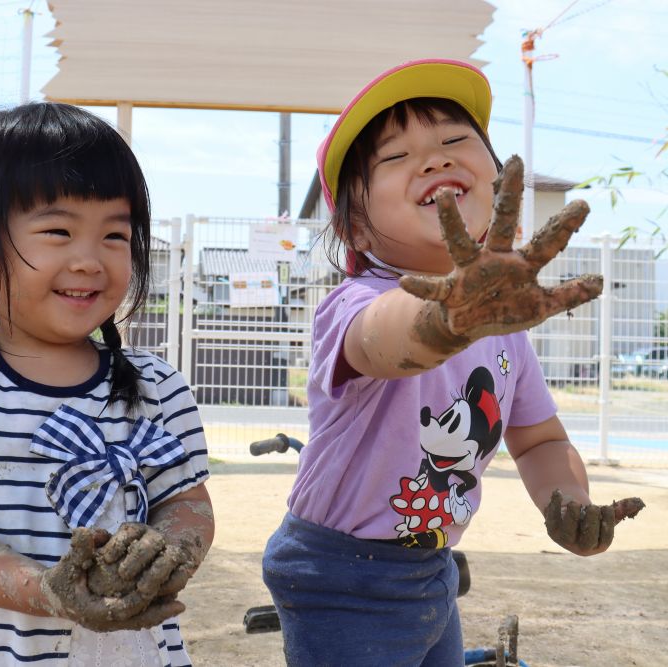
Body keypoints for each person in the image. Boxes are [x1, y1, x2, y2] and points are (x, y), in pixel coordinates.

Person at [261, 59, 643, 666]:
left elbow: (540, 439)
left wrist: (566, 502)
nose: (435, 158)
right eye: (395, 157)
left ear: (496, 180)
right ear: (357, 226)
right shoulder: (357, 304)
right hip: (339, 575)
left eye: (454, 139)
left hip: (430, 565)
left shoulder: (505, 331)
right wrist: (452, 320)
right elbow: (386, 343)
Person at [0, 102, 214, 667]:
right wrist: (48, 589)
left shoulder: (158, 386)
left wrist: (168, 551)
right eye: (58, 230)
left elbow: (189, 504)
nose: (89, 260)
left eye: (114, 235)